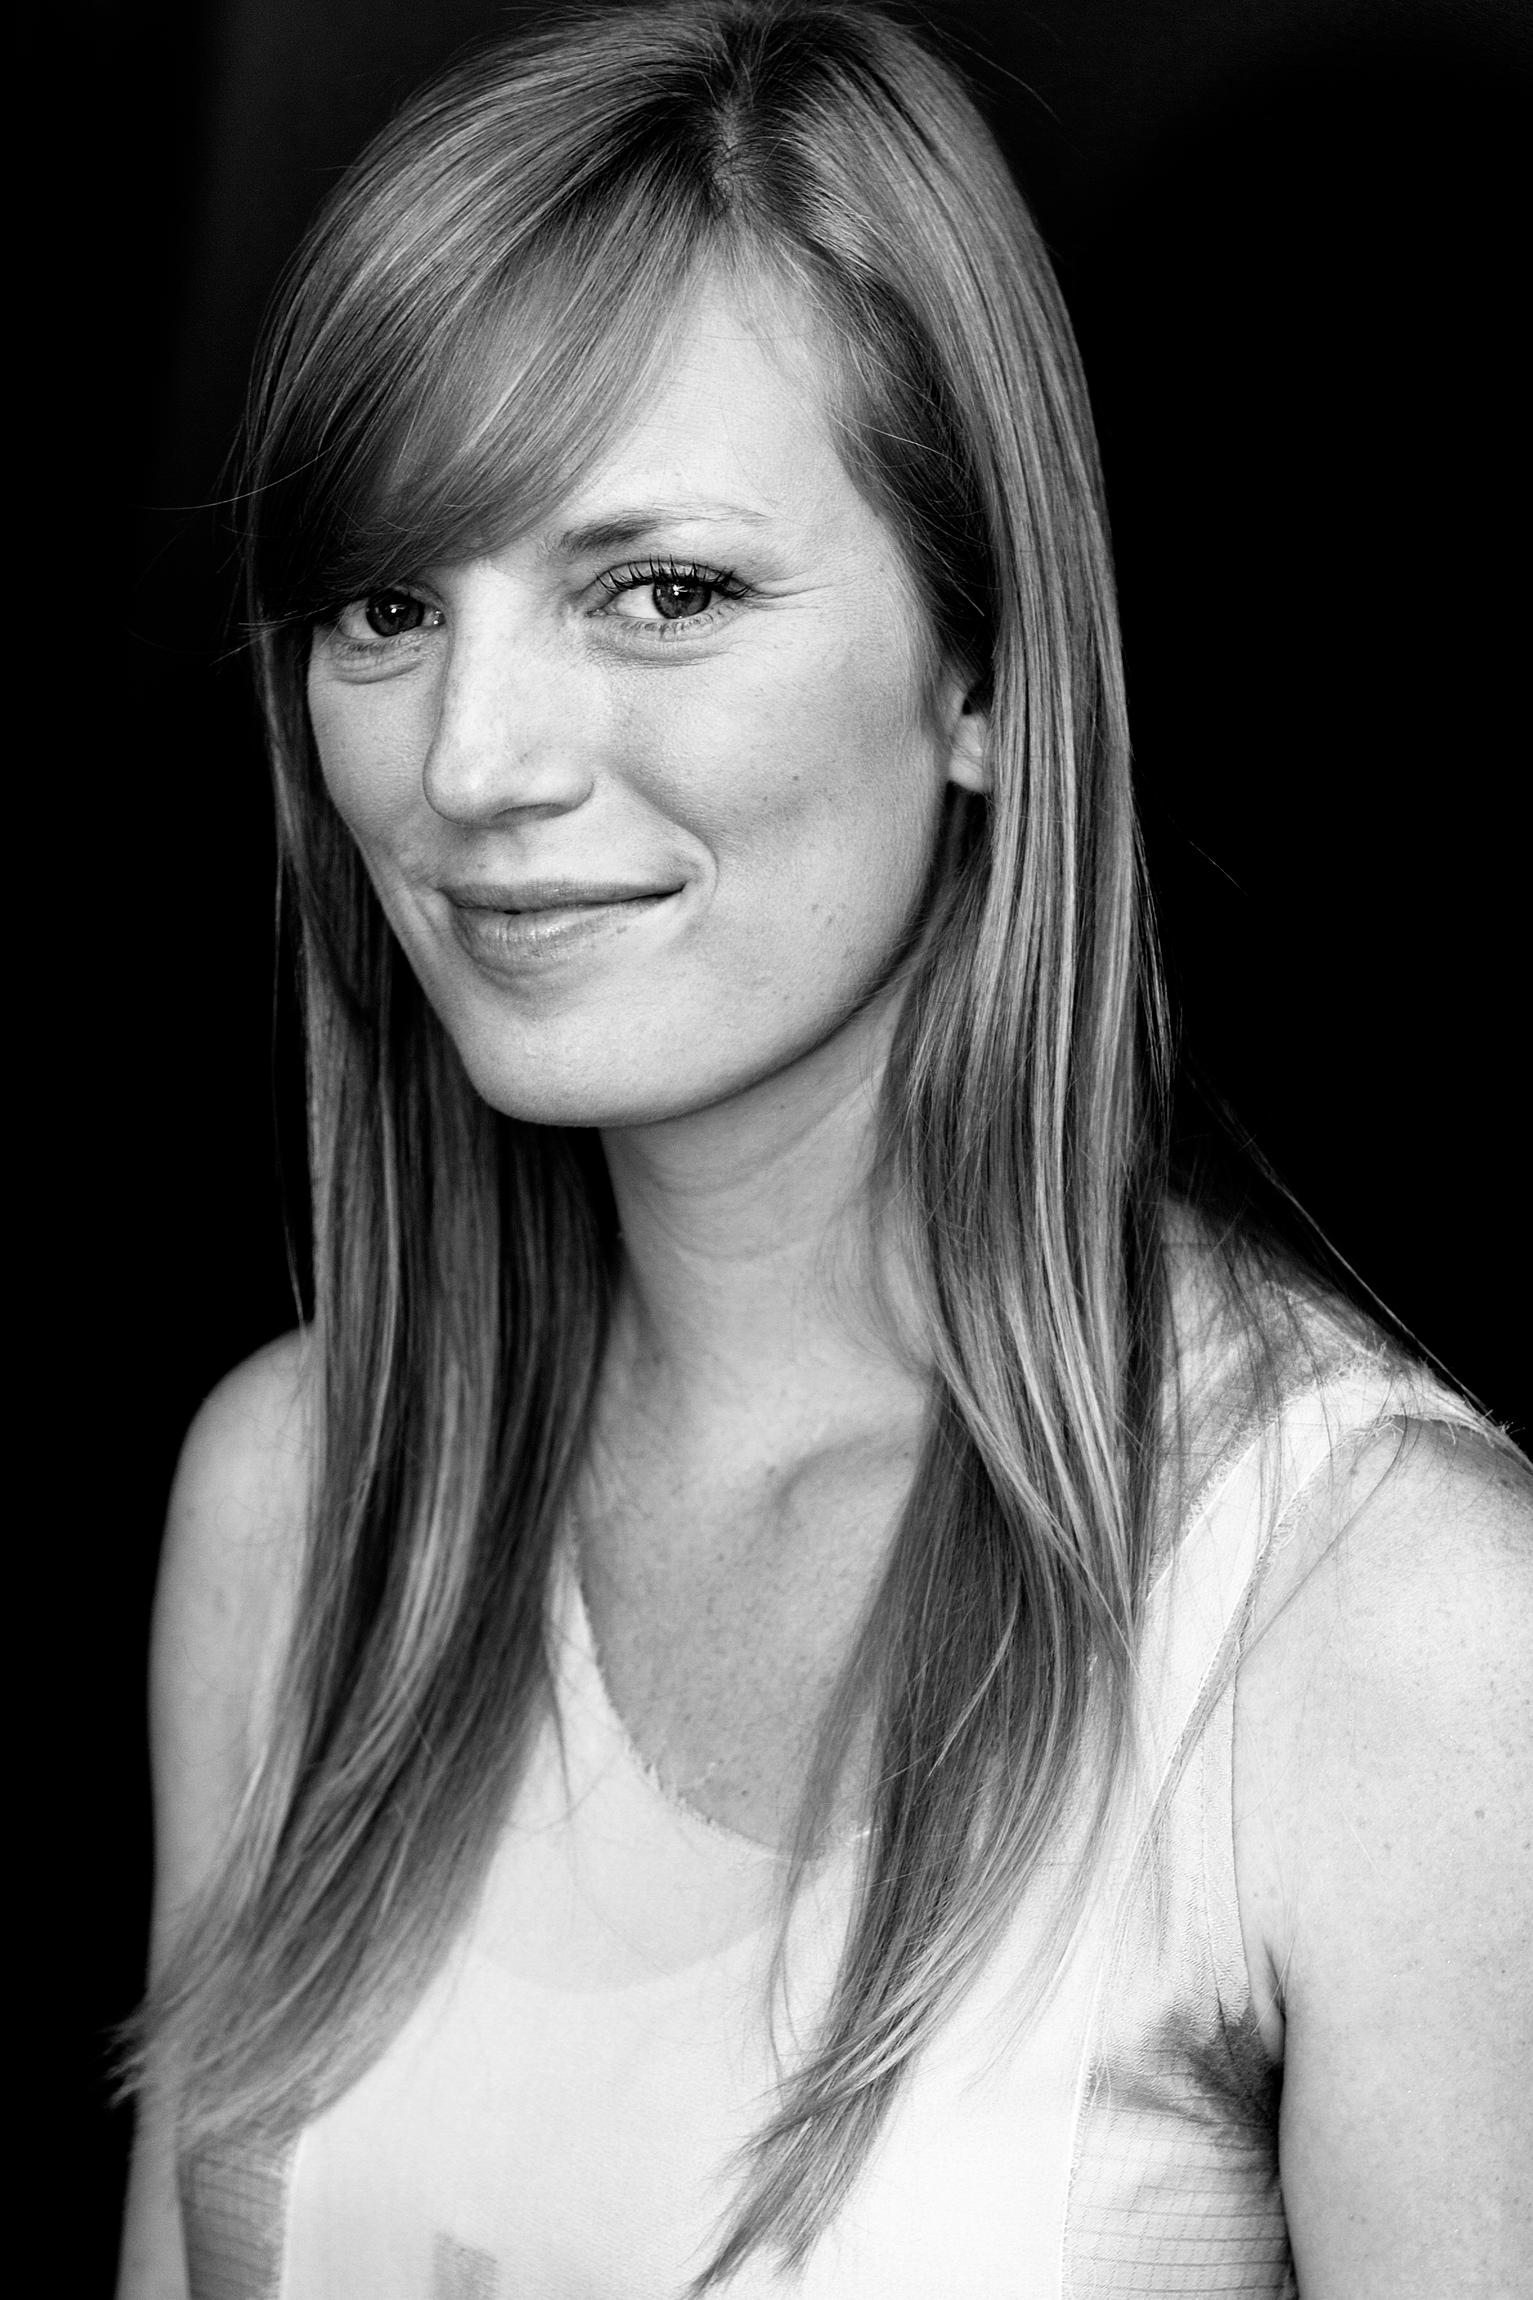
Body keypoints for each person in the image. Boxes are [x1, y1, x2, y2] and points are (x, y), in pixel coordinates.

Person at [117, 3, 1531, 2294]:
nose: (470, 759)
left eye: (659, 589)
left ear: (983, 672)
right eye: (387, 605)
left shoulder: (1383, 1626)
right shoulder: (296, 1506)